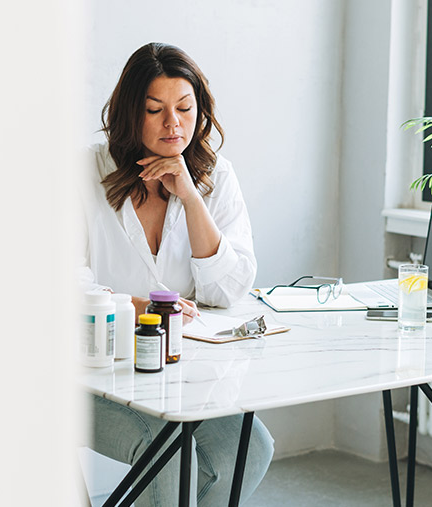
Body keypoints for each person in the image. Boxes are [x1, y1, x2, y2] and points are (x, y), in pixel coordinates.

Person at [81, 42, 274, 506]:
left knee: (250, 450)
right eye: (156, 110)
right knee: (168, 453)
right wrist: (139, 307)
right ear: (132, 113)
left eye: (185, 108)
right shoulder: (83, 171)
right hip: (88, 371)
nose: (174, 124)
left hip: (174, 370)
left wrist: (190, 198)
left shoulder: (214, 177)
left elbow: (228, 289)